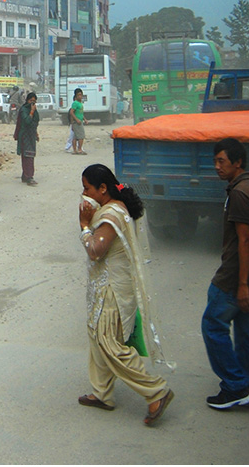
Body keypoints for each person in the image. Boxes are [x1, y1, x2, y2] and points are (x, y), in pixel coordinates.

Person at [77, 163, 174, 425]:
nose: (84, 194)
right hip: (106, 288)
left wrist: (85, 226)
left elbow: (96, 250)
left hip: (112, 292)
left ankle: (155, 391)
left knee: (110, 344)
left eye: (87, 188)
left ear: (103, 189)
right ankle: (102, 393)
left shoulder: (112, 215)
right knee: (97, 337)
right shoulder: (114, 207)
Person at [201, 138, 249, 412]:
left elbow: (244, 241)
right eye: (215, 161)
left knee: (212, 326)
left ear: (238, 162)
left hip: (233, 279)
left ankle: (234, 386)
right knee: (248, 333)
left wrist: (241, 285)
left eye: (222, 161)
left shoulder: (240, 194)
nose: (217, 166)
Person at [16, 92, 41, 186]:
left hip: (31, 136)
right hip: (24, 136)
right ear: (27, 101)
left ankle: (25, 176)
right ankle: (29, 177)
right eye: (31, 101)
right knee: (27, 156)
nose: (32, 103)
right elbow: (26, 121)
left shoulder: (34, 110)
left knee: (30, 156)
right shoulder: (24, 110)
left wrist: (36, 134)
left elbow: (34, 123)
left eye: (34, 101)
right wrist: (31, 112)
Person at [70, 89, 87, 155]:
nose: (80, 96)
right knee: (81, 136)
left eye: (81, 95)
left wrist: (84, 119)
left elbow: (81, 113)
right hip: (77, 122)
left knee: (75, 137)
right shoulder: (75, 103)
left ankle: (75, 150)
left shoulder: (80, 103)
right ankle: (79, 149)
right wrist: (76, 120)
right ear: (76, 96)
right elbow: (71, 112)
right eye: (78, 95)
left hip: (80, 121)